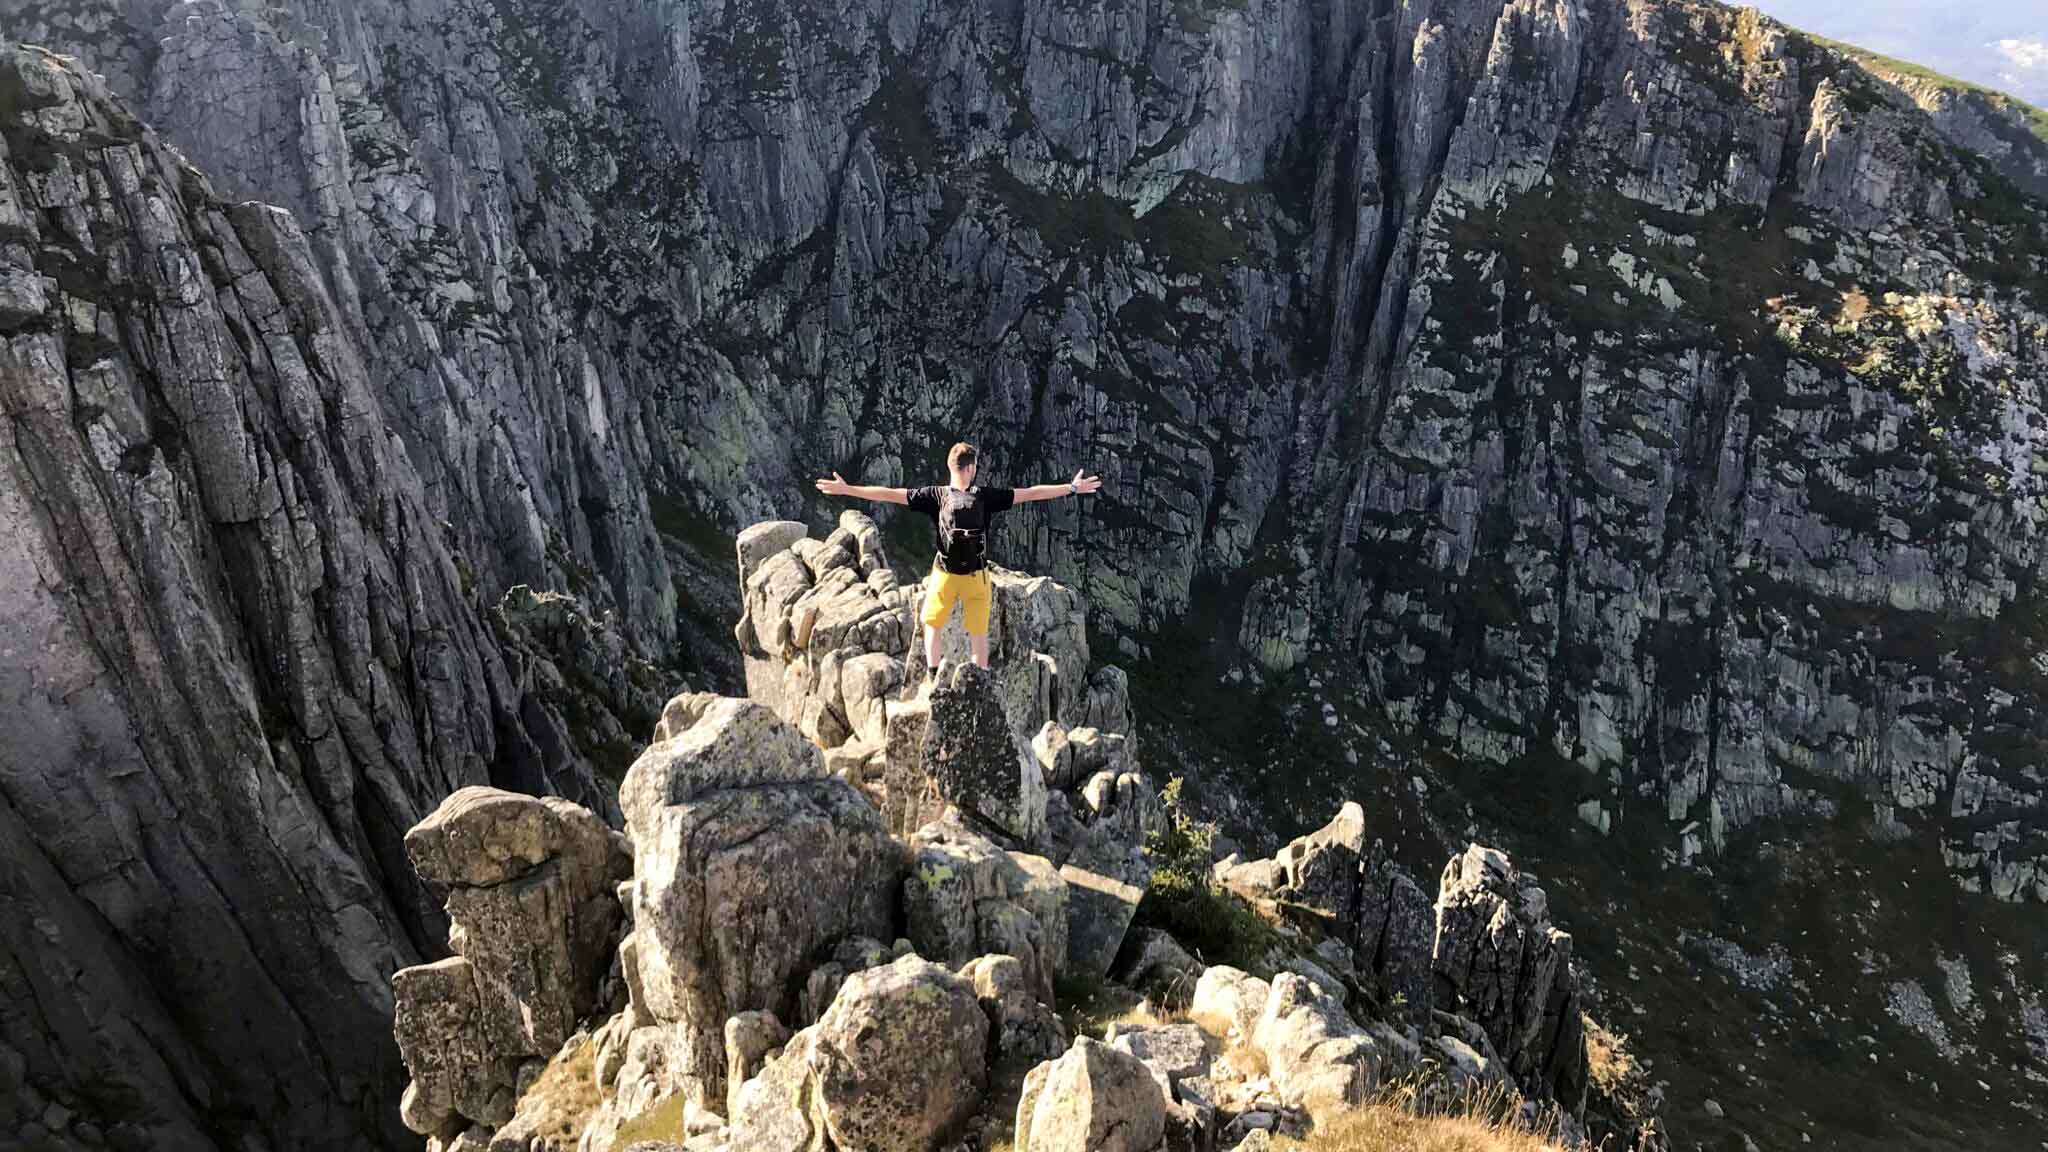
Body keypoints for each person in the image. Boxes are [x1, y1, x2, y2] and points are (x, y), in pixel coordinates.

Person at [814, 442, 1101, 670]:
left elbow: (889, 493)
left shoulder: (936, 496)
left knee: (932, 624)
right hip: (977, 575)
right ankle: (979, 681)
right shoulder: (985, 496)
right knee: (979, 634)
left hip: (945, 574)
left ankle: (933, 674)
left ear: (950, 467)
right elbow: (1031, 493)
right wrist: (1071, 488)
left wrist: (847, 489)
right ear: (971, 468)